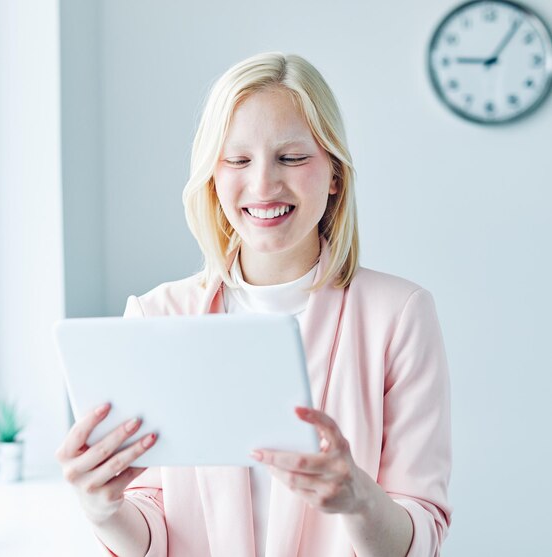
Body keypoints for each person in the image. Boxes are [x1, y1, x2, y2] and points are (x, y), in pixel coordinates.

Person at [55, 52, 452, 557]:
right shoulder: (157, 316)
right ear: (212, 178)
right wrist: (103, 509)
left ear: (334, 175)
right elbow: (152, 525)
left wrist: (359, 501)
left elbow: (420, 532)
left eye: (291, 157)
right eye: (238, 160)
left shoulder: (399, 315)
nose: (263, 184)